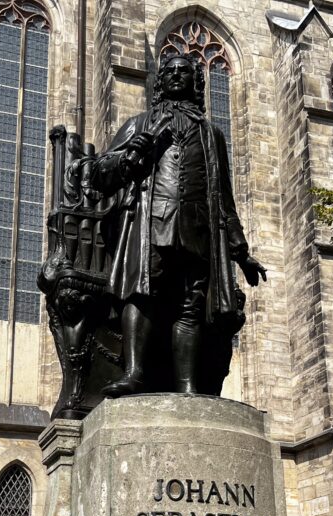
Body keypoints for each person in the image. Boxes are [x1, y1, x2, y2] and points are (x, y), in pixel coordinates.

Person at [82, 53, 266, 397]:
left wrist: (241, 252)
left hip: (197, 230)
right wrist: (128, 157)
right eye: (171, 72)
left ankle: (187, 383)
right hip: (150, 224)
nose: (178, 76)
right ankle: (135, 372)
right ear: (161, 81)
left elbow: (224, 199)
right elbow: (98, 174)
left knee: (191, 305)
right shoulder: (140, 124)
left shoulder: (212, 135)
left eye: (185, 72)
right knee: (141, 294)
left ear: (195, 83)